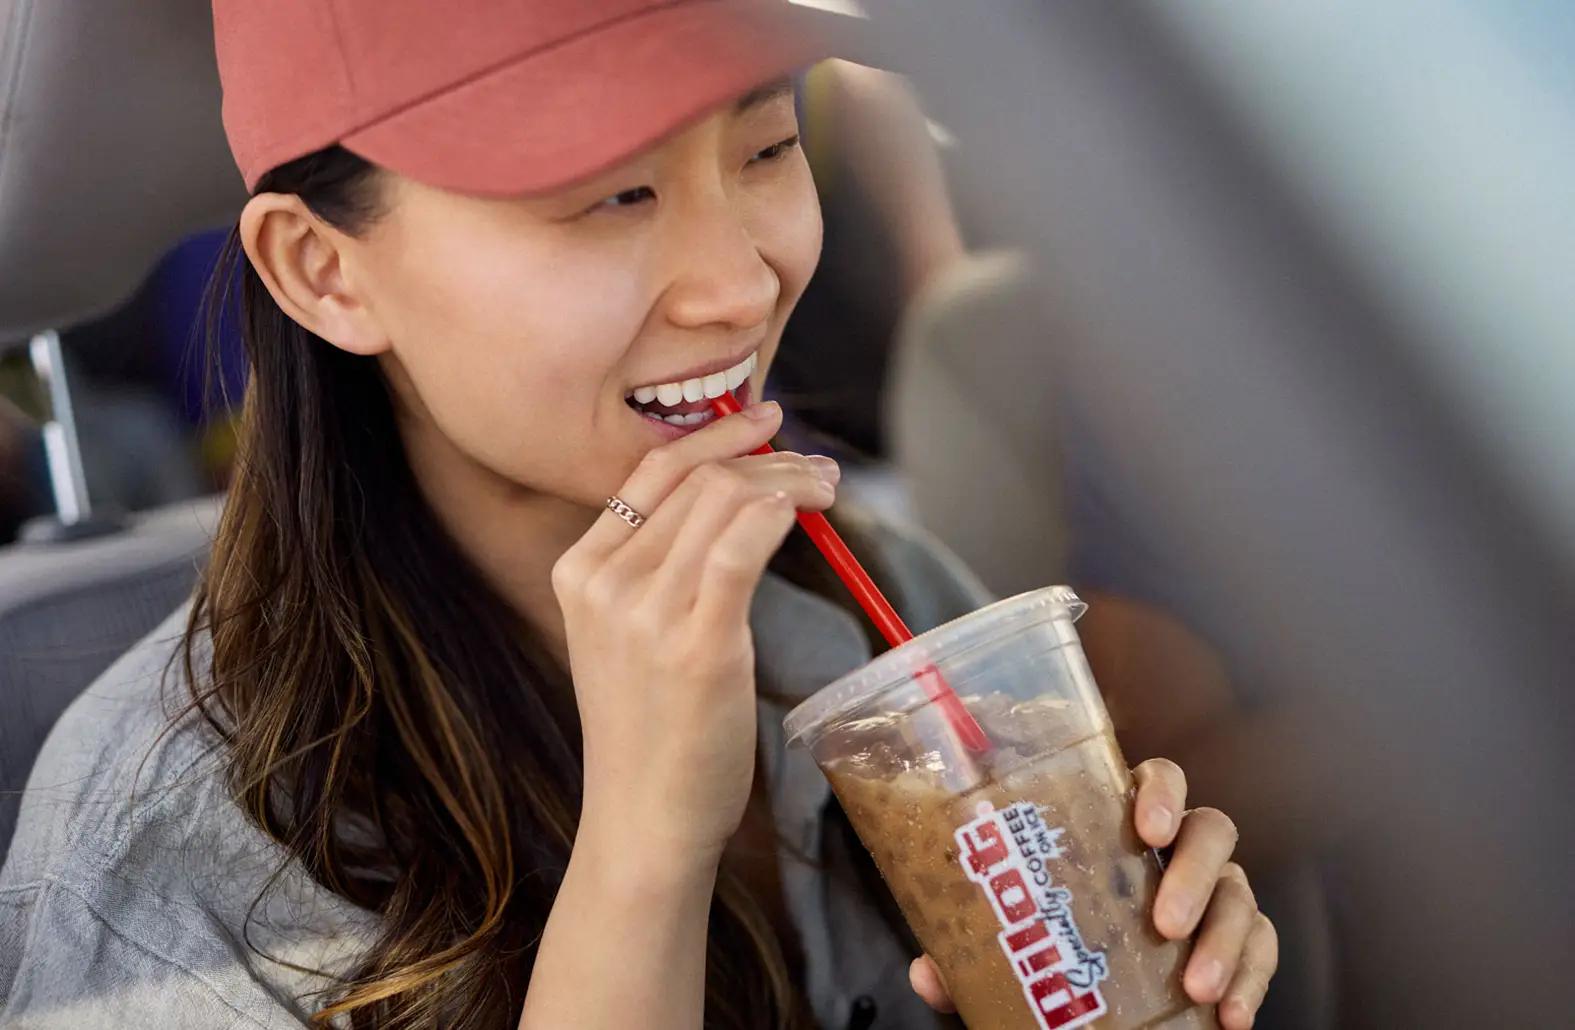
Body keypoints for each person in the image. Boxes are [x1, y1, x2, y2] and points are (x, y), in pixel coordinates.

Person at [0, 2, 1277, 1027]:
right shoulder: (172, 852)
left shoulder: (896, 608)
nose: (737, 284)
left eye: (768, 147)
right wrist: (644, 854)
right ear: (324, 271)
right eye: (613, 194)